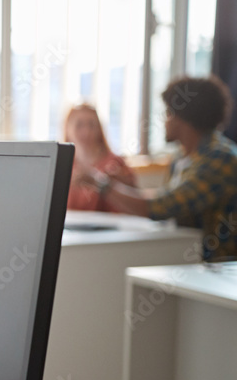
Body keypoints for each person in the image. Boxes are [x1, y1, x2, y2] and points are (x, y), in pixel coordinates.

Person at [80, 75, 237, 262]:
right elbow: (171, 203)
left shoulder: (219, 159)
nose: (164, 121)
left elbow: (160, 208)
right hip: (186, 258)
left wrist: (102, 184)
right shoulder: (182, 157)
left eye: (168, 114)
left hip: (218, 269)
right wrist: (128, 188)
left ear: (184, 119)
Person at [63, 103, 138, 212]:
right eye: (79, 125)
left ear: (99, 129)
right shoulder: (63, 166)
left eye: (92, 125)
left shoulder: (116, 164)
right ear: (67, 128)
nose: (86, 132)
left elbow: (135, 202)